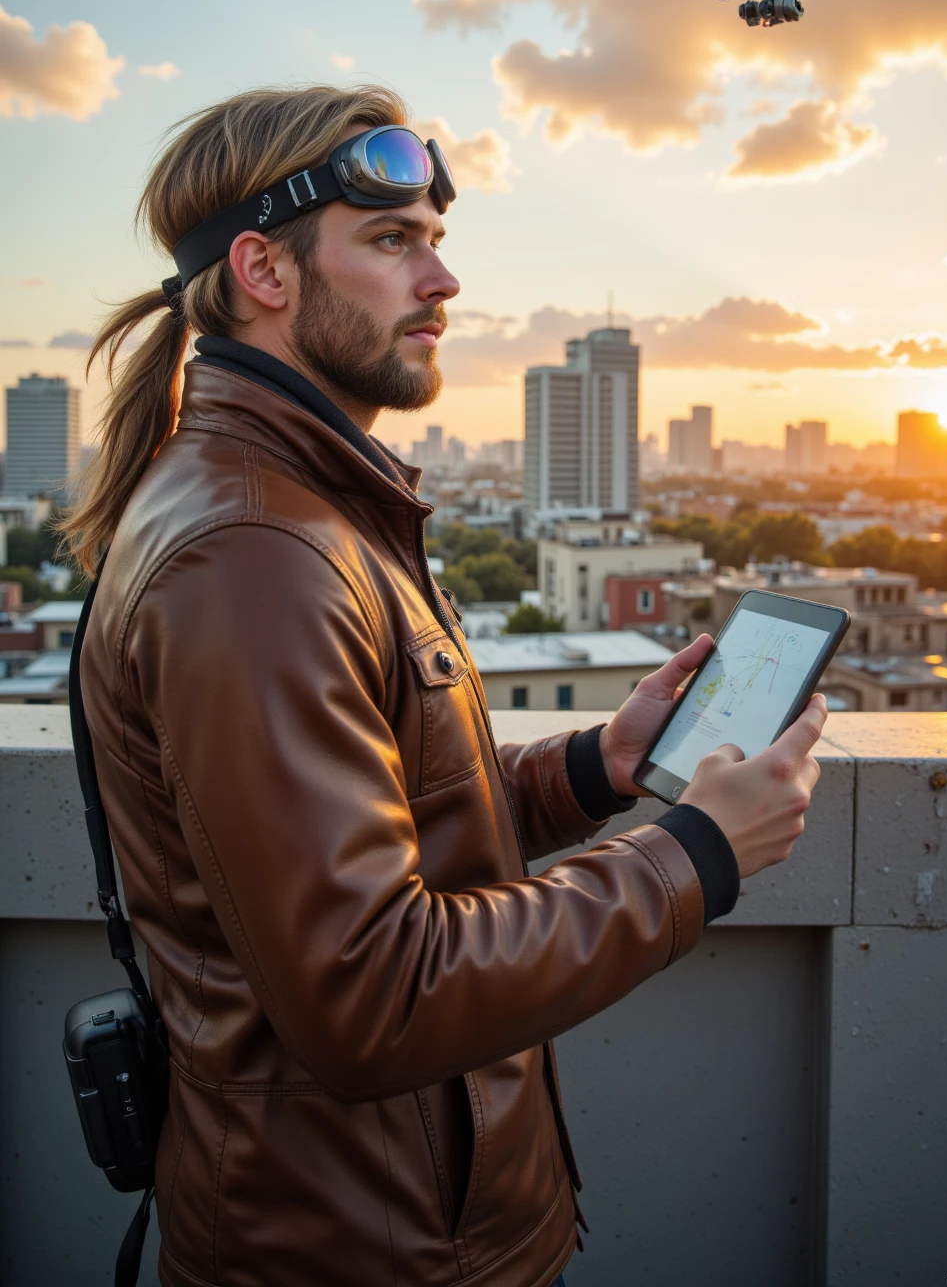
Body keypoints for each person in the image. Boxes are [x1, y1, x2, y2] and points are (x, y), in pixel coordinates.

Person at [62, 84, 824, 1287]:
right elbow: (374, 993)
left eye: (436, 239)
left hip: (393, 1225)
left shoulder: (301, 509)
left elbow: (379, 817)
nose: (443, 282)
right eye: (391, 240)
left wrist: (591, 771)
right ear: (263, 271)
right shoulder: (253, 557)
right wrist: (696, 856)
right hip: (365, 1251)